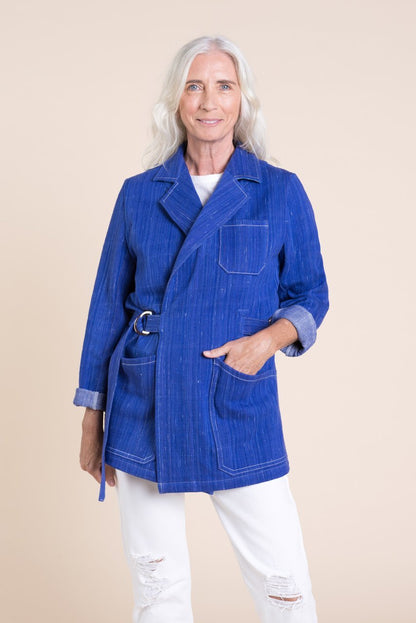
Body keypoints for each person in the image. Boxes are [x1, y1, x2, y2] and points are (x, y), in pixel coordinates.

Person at [74, 35, 329, 623]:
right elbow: (105, 309)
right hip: (145, 399)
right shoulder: (139, 195)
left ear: (243, 101)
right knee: (156, 584)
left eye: (223, 86)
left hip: (235, 396)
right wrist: (92, 421)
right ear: (176, 100)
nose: (209, 101)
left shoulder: (278, 190)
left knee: (284, 584)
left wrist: (265, 342)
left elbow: (311, 292)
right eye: (194, 86)